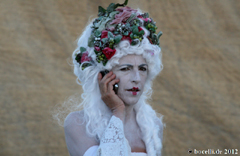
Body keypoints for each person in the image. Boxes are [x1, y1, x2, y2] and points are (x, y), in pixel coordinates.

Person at [59, 1, 165, 155]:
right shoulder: (77, 124)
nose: (136, 78)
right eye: (125, 68)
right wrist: (117, 111)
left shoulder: (152, 125)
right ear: (101, 76)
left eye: (142, 69)